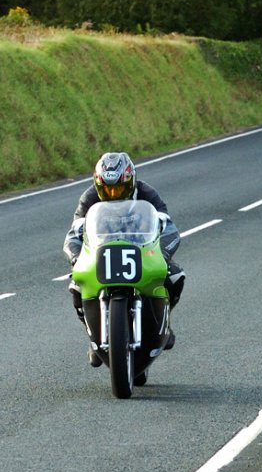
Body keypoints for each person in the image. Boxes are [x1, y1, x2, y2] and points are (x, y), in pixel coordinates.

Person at [63, 152, 186, 367]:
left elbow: (169, 227)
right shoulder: (89, 198)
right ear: (98, 184)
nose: (113, 194)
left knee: (174, 276)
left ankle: (165, 322)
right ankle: (94, 337)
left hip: (141, 251)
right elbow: (74, 234)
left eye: (118, 188)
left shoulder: (147, 193)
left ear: (130, 182)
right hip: (102, 254)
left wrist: (163, 254)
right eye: (107, 189)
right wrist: (76, 256)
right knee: (76, 285)